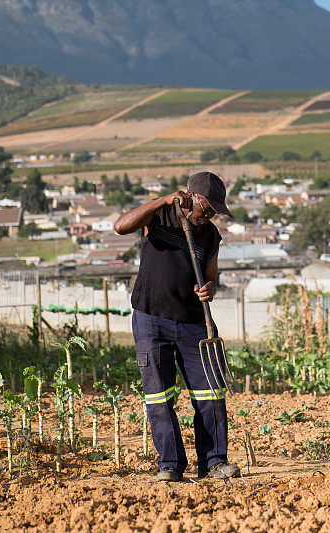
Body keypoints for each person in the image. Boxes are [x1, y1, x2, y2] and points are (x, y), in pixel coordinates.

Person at [114, 171, 240, 482]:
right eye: (206, 207)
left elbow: (211, 275)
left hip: (194, 324)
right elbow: (120, 226)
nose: (209, 214)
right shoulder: (159, 217)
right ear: (192, 197)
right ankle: (170, 465)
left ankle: (214, 463)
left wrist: (209, 287)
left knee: (211, 393)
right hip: (151, 319)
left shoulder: (210, 235)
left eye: (214, 210)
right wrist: (162, 201)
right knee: (159, 396)